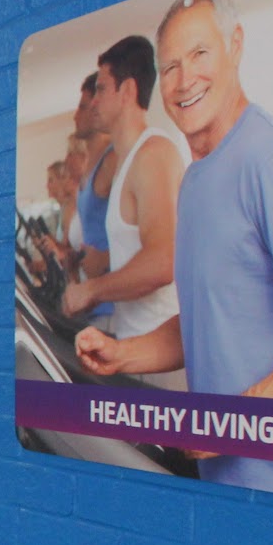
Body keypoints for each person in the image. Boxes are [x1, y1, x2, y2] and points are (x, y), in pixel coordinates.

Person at [75, 0, 273, 504]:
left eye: (200, 54)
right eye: (171, 66)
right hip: (234, 493)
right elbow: (211, 317)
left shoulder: (272, 159)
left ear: (235, 47)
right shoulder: (197, 179)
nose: (185, 80)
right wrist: (123, 354)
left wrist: (232, 425)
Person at [64, 35, 185, 361]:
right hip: (135, 346)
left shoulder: (153, 153)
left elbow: (164, 261)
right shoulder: (128, 161)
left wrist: (92, 291)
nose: (93, 102)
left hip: (163, 354)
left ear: (127, 91)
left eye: (101, 89)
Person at [72, 77, 114, 282]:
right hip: (95, 291)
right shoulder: (89, 165)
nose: (75, 116)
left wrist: (106, 258)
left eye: (82, 107)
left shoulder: (113, 160)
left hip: (115, 290)